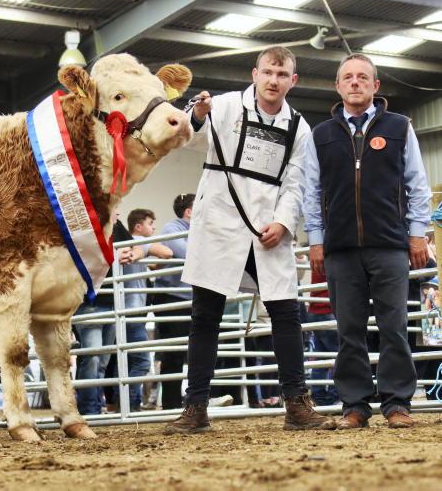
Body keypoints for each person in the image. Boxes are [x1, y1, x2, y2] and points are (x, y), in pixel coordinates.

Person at [166, 47, 335, 434]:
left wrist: (284, 223)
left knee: (286, 314)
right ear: (255, 74)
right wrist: (198, 114)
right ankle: (195, 408)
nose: (274, 80)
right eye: (268, 72)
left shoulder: (299, 127)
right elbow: (188, 136)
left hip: (267, 231)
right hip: (219, 223)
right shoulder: (224, 106)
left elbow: (296, 182)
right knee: (205, 316)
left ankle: (297, 405)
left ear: (293, 81)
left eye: (282, 74)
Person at [304, 53, 431, 429]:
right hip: (341, 248)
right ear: (337, 86)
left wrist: (417, 234)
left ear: (375, 86)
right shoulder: (320, 135)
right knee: (349, 330)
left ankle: (397, 403)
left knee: (394, 326)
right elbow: (311, 191)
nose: (355, 82)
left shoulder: (399, 127)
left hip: (390, 244)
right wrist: (316, 239)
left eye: (363, 77)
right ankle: (355, 406)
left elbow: (417, 183)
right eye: (348, 77)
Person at [73, 212, 132, 415]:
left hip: (111, 301)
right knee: (93, 356)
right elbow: (82, 253)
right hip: (89, 301)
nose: (117, 210)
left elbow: (135, 247)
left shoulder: (116, 224)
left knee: (102, 360)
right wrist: (114, 256)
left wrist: (131, 254)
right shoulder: (82, 221)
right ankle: (88, 408)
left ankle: (94, 407)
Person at [122, 209, 172, 411]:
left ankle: (125, 403)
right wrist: (152, 253)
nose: (154, 227)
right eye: (150, 223)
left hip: (128, 310)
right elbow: (167, 253)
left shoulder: (128, 245)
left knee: (126, 360)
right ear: (138, 227)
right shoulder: (138, 240)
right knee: (142, 362)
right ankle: (130, 404)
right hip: (133, 311)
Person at [152, 193, 194, 410]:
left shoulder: (195, 231)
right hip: (172, 297)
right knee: (173, 352)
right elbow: (186, 253)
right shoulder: (172, 228)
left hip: (189, 298)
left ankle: (190, 399)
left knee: (190, 351)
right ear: (189, 212)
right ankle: (170, 403)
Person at [306, 269, 340, 406]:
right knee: (340, 354)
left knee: (321, 356)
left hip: (315, 309)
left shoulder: (317, 259)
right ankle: (335, 394)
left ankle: (318, 394)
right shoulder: (335, 259)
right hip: (328, 308)